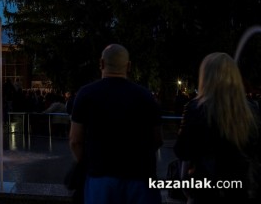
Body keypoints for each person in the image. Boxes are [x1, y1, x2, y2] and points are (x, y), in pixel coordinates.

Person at [69, 44, 162, 204]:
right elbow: (157, 139)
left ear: (101, 63)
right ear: (129, 66)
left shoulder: (86, 94)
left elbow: (75, 140)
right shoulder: (145, 96)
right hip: (139, 178)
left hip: (100, 178)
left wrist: (88, 164)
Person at [174, 52, 261, 203]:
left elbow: (182, 151)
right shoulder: (252, 110)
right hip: (242, 190)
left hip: (206, 191)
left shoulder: (196, 108)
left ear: (206, 77)